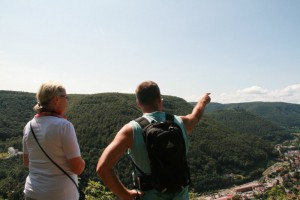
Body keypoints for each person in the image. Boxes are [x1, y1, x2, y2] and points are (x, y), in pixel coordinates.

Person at [96, 80, 211, 200]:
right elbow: (196, 115)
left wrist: (125, 194)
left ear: (138, 103)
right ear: (160, 99)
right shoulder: (180, 123)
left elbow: (103, 168)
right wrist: (203, 101)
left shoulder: (131, 131)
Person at [22, 81, 85, 200]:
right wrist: (82, 162)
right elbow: (77, 168)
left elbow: (27, 162)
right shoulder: (64, 126)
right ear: (56, 99)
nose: (67, 101)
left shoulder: (28, 126)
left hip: (32, 192)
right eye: (66, 97)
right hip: (60, 194)